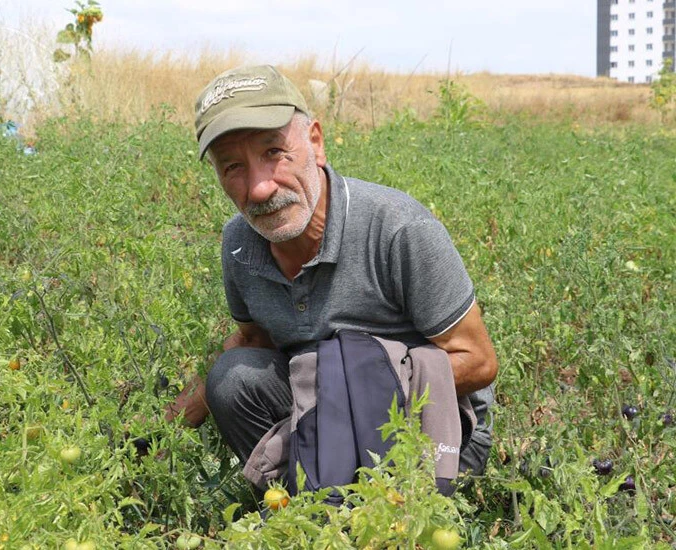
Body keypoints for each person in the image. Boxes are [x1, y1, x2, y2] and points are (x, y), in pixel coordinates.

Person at [164, 64, 498, 476]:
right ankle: (300, 511)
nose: (259, 188)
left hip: (429, 427)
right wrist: (170, 426)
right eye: (233, 167)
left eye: (274, 153)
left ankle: (349, 504)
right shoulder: (240, 243)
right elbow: (256, 338)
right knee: (233, 379)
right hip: (325, 412)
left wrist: (347, 403)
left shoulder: (397, 227)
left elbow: (478, 361)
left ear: (316, 143)